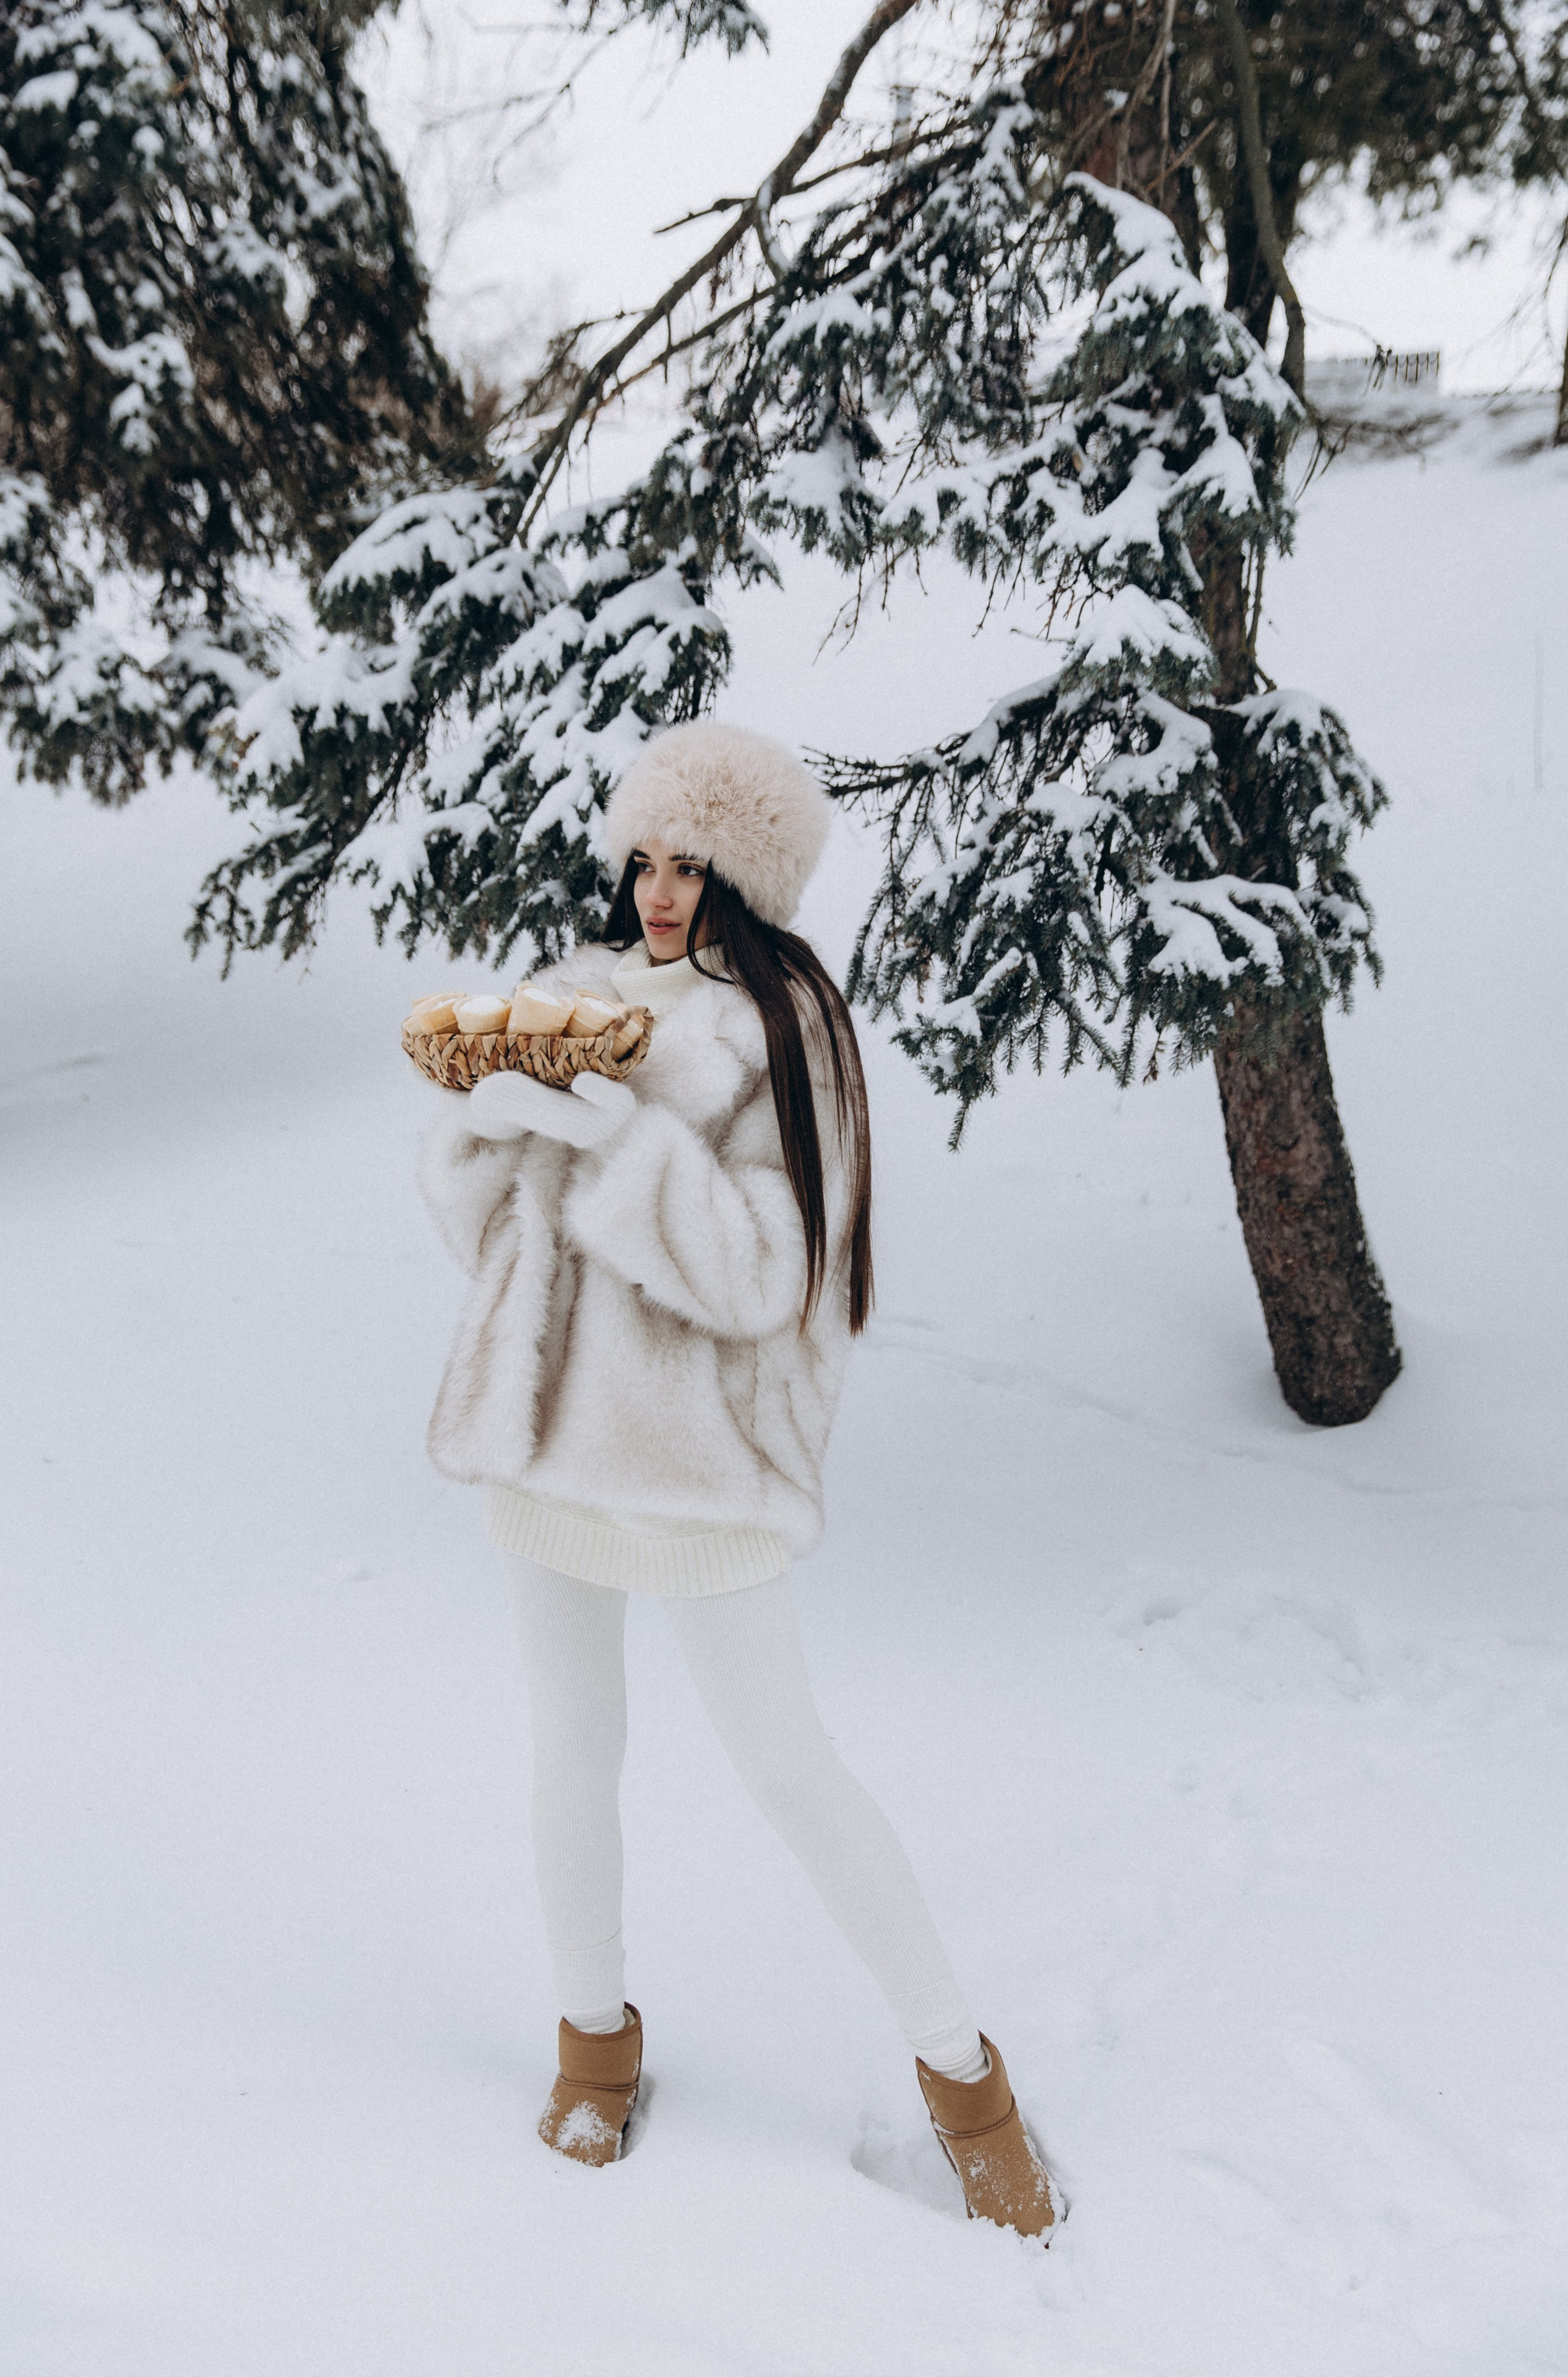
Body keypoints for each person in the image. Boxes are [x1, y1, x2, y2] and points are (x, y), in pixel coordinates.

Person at [417, 721, 1059, 2239]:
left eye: (688, 864)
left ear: (745, 873)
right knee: (571, 1746)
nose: (655, 891)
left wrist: (613, 1139)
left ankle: (965, 2083)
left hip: (701, 1469)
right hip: (548, 1445)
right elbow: (493, 1251)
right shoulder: (570, 995)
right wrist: (487, 1129)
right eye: (641, 857)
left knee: (786, 1766)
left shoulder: (787, 1032)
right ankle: (593, 2049)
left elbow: (766, 1274)